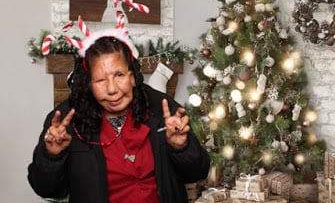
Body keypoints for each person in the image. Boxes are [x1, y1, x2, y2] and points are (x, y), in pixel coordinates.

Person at [27, 20, 211, 203]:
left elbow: (197, 172)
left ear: (132, 77)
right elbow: (47, 189)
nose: (112, 89)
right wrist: (52, 156)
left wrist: (181, 148)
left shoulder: (161, 109)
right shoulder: (66, 120)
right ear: (89, 85)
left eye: (119, 75)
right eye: (100, 81)